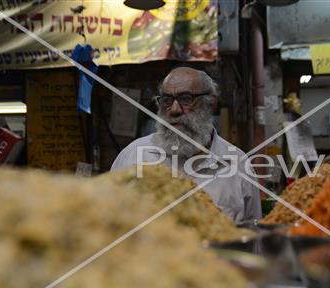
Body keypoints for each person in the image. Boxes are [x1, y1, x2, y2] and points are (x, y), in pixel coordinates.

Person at [111, 67, 262, 223]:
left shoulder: (238, 165)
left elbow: (253, 235)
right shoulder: (133, 156)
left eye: (186, 98)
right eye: (167, 100)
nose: (174, 110)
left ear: (211, 103)